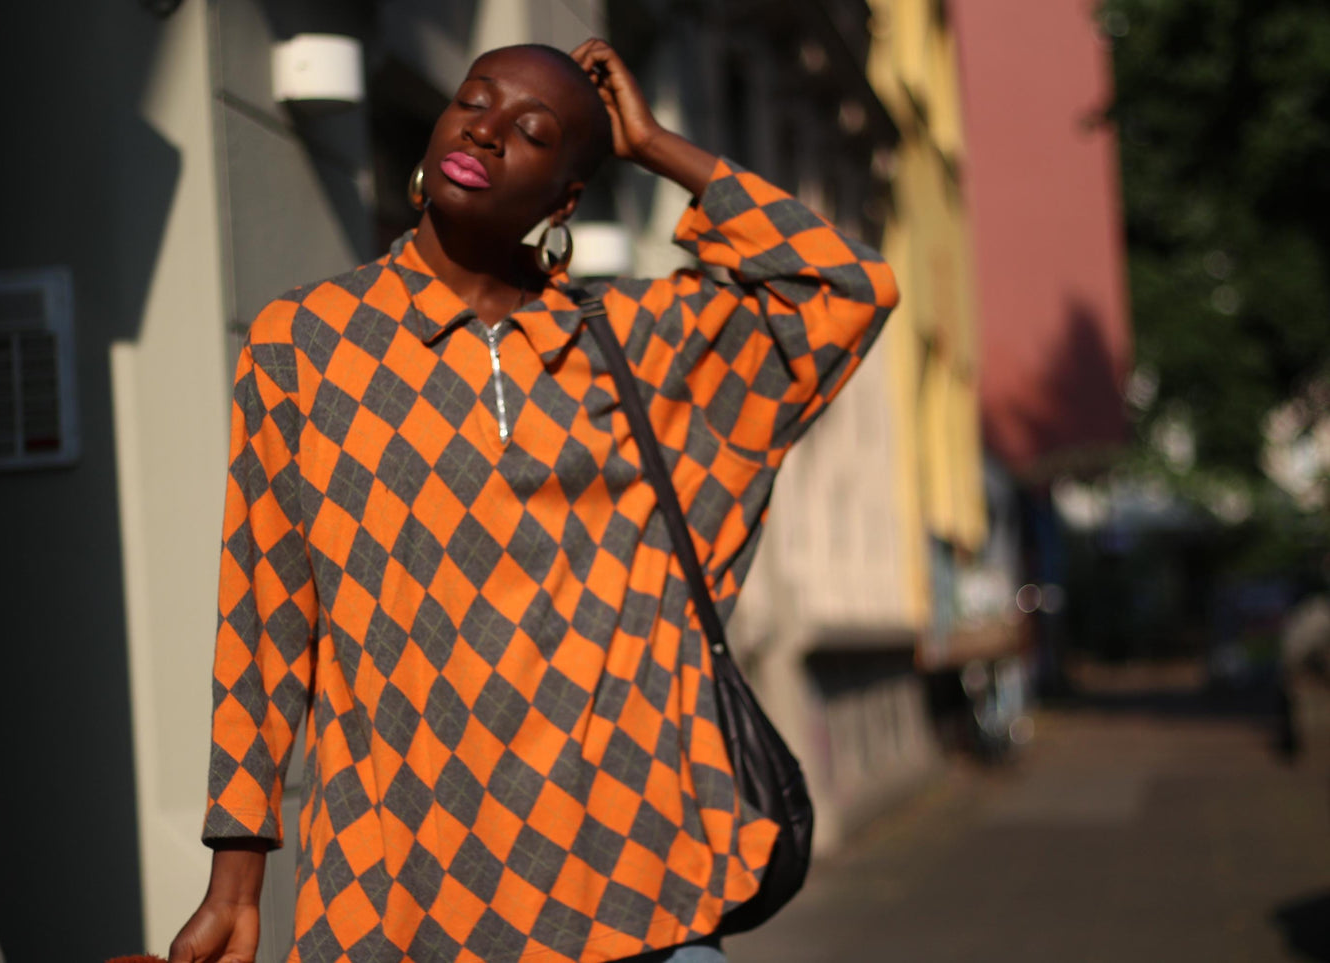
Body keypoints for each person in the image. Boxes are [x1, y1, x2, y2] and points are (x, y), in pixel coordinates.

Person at [168, 38, 897, 963]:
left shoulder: (635, 347)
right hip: (407, 907)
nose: (487, 127)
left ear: (565, 200)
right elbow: (264, 626)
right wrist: (236, 882)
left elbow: (843, 289)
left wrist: (657, 145)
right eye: (474, 100)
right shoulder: (306, 345)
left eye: (533, 129)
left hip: (642, 896)